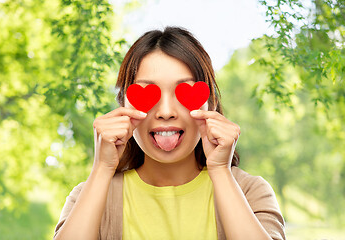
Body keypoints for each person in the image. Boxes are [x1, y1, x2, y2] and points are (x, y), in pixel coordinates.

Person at [53, 26, 286, 240]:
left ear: (211, 104)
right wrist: (102, 169)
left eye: (183, 92)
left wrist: (220, 171)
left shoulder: (250, 191)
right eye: (147, 93)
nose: (165, 112)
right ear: (123, 105)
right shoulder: (90, 194)